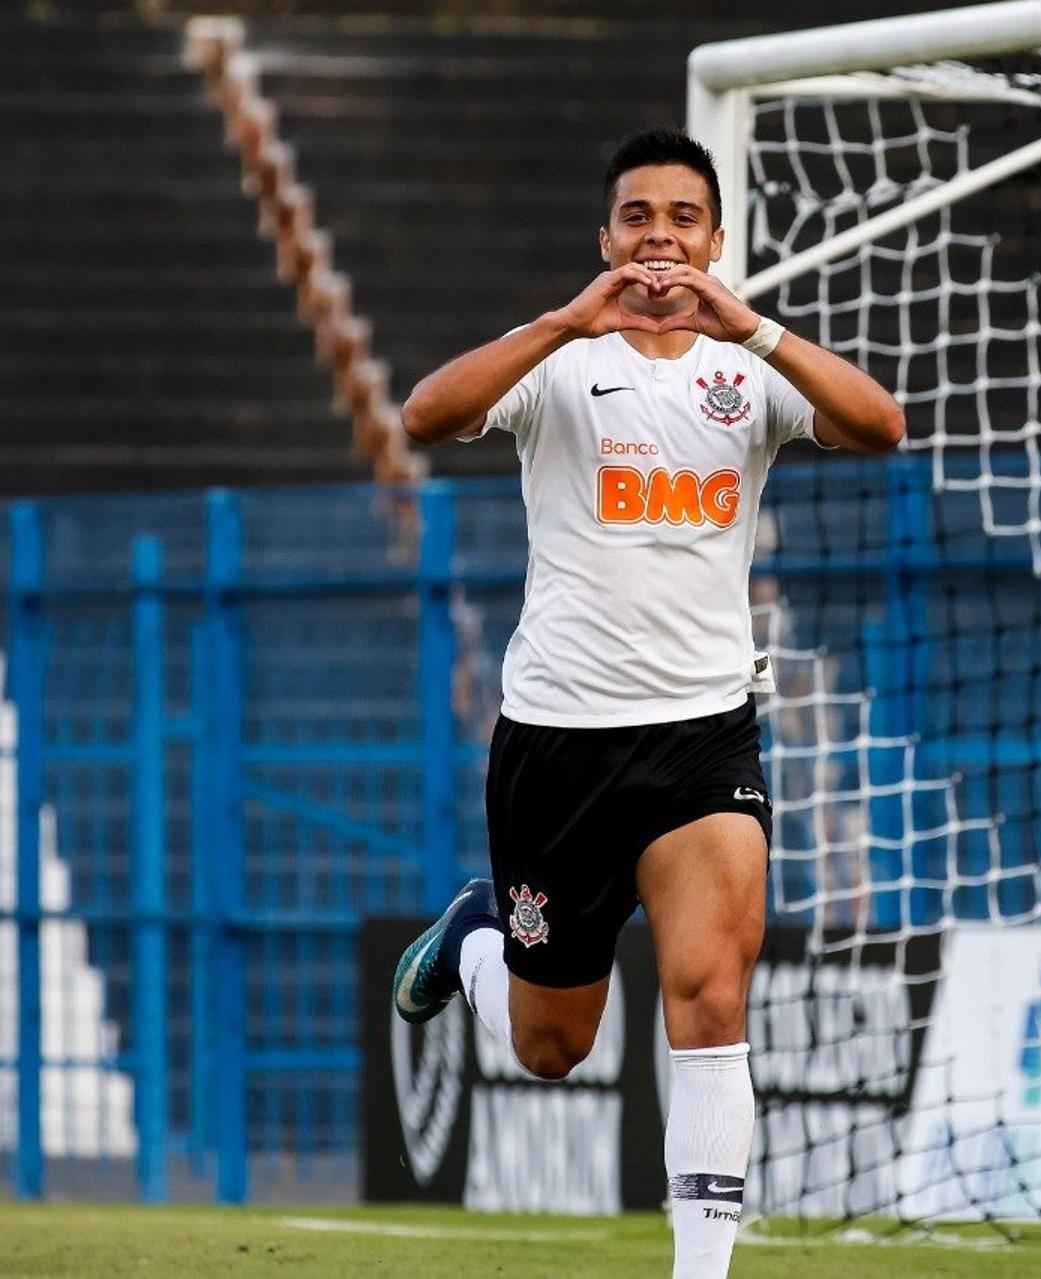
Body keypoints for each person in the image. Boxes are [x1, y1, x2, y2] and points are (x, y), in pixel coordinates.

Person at [387, 128, 904, 1277]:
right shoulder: (560, 363)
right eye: (637, 217)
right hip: (556, 745)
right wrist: (569, 319)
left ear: (715, 239)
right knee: (552, 1047)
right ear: (606, 238)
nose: (659, 238)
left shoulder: (752, 368)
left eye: (683, 218)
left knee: (712, 999)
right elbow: (422, 414)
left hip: (702, 734)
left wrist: (755, 324)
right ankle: (478, 937)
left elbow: (882, 425)